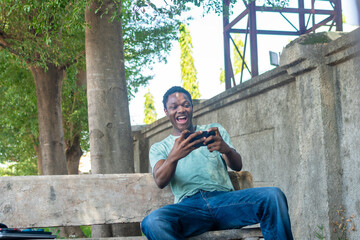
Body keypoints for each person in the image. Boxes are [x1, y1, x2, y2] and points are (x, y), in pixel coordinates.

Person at [141, 86, 293, 240]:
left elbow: (237, 166)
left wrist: (226, 150)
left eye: (186, 105)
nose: (181, 110)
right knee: (152, 222)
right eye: (174, 107)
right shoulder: (160, 147)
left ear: (192, 108)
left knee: (273, 196)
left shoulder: (214, 130)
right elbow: (160, 180)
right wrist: (174, 156)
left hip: (225, 202)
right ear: (166, 111)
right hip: (190, 209)